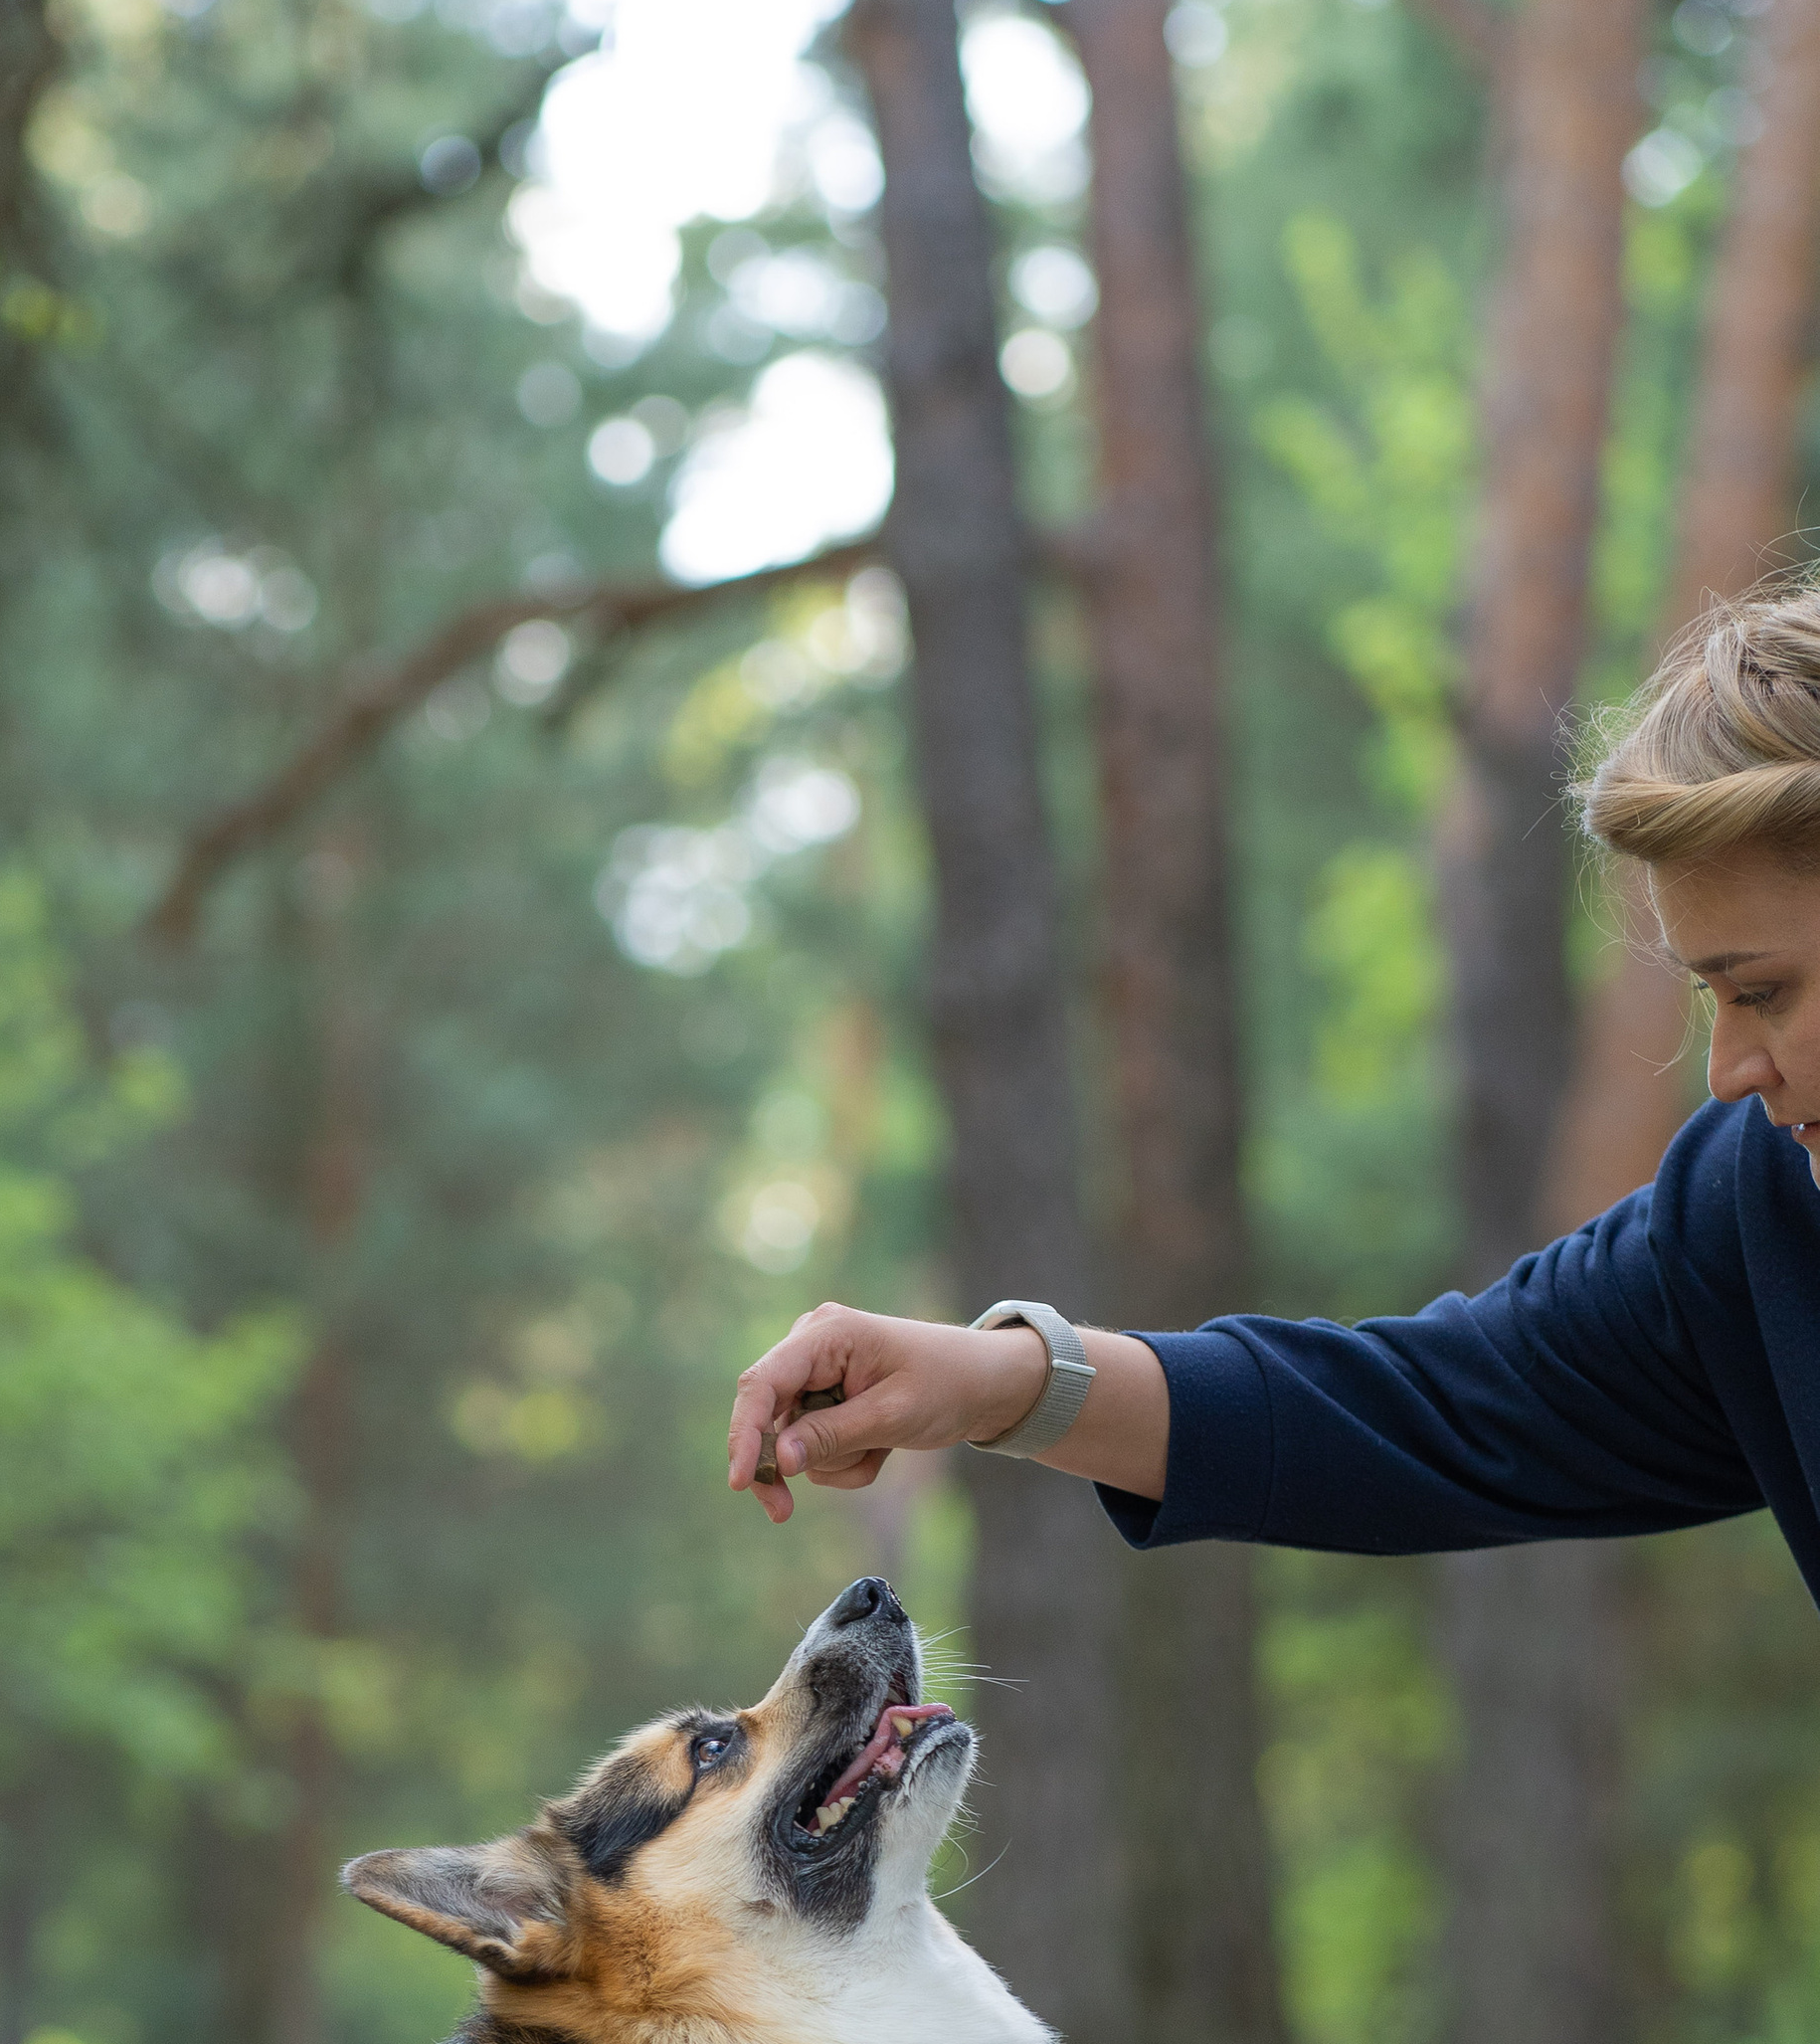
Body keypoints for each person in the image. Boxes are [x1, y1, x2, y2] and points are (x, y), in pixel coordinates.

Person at [725, 587, 1820, 1606]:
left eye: (1762, 991)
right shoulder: (1759, 1211)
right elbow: (1432, 1408)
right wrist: (999, 1381)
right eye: (1709, 995)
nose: (1728, 1070)